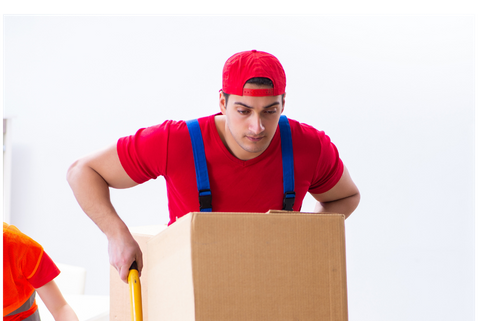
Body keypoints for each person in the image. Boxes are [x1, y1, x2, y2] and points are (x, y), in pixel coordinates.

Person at [67, 49, 360, 283]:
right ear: (222, 102)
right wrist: (117, 235)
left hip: (274, 292)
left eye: (270, 111)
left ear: (283, 103)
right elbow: (82, 171)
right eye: (243, 111)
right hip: (190, 295)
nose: (257, 126)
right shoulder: (176, 141)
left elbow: (346, 196)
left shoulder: (309, 146)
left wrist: (305, 235)